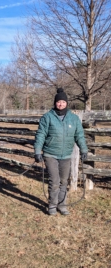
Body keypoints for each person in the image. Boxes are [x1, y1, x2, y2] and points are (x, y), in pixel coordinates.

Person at [34, 88, 88, 216]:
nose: (61, 104)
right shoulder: (47, 117)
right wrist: (37, 150)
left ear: (67, 103)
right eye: (58, 102)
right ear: (55, 103)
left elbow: (79, 135)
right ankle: (52, 205)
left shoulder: (73, 118)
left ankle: (62, 205)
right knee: (54, 181)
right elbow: (40, 134)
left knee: (64, 181)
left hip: (66, 155)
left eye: (63, 102)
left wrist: (84, 149)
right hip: (50, 154)